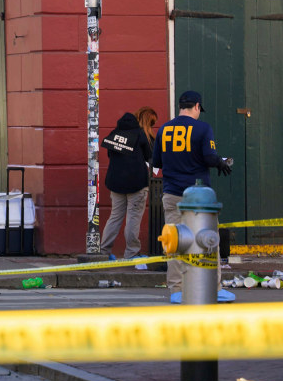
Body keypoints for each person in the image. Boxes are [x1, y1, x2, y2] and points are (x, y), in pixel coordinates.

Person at [151, 90, 234, 304]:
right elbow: (208, 156)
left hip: (172, 194)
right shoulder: (203, 128)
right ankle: (213, 289)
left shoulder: (164, 129)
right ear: (197, 106)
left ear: (180, 107)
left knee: (176, 242)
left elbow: (157, 163)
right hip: (200, 199)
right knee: (208, 241)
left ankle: (178, 290)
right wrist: (219, 162)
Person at [100, 111, 152, 261]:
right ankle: (132, 253)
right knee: (133, 218)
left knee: (115, 217)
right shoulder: (140, 134)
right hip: (137, 183)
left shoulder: (114, 135)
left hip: (116, 183)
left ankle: (104, 251)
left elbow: (111, 155)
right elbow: (149, 154)